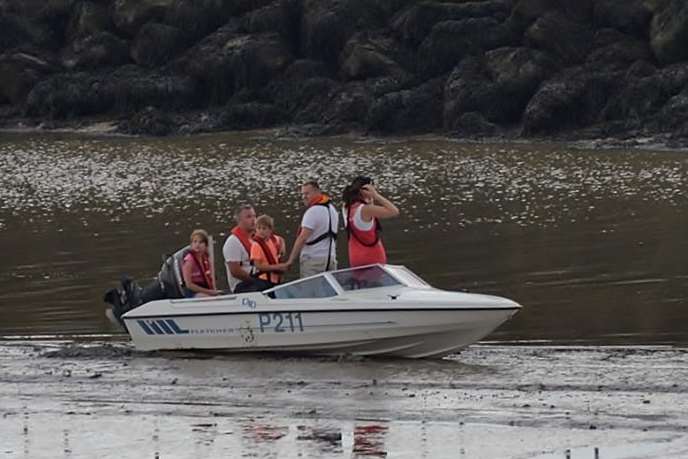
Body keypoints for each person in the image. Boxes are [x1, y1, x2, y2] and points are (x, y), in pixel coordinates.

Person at [342, 176, 399, 267]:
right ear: (366, 190)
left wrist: (368, 200)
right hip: (372, 259)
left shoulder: (346, 207)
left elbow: (364, 222)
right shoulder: (366, 210)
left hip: (355, 256)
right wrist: (376, 196)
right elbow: (394, 211)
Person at [286, 180, 339, 278]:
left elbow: (302, 238)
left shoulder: (312, 211)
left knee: (310, 292)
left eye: (307, 193)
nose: (304, 197)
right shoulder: (332, 209)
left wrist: (291, 260)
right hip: (330, 259)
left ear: (317, 192)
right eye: (302, 194)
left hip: (313, 261)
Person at [223, 204, 258, 293]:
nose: (253, 220)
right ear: (239, 220)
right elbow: (235, 271)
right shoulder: (233, 242)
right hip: (242, 286)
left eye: (254, 216)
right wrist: (255, 280)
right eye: (248, 217)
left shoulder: (257, 239)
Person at [250, 214, 288, 288]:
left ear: (270, 230)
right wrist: (276, 267)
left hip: (275, 279)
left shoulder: (272, 240)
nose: (261, 231)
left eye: (264, 228)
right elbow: (258, 266)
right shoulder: (256, 245)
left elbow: (281, 239)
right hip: (263, 280)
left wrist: (282, 248)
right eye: (258, 228)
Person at [181, 229, 220, 297]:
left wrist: (214, 291)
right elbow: (189, 284)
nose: (197, 245)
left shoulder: (206, 258)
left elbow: (210, 278)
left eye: (201, 242)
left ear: (206, 245)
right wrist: (210, 292)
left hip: (205, 288)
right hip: (192, 291)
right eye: (195, 242)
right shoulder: (189, 260)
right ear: (191, 244)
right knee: (207, 298)